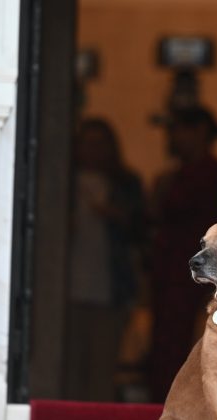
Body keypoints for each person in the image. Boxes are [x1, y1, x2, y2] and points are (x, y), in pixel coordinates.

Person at [149, 105, 217, 402]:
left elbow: (173, 210)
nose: (174, 138)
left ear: (200, 132)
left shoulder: (209, 171)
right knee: (166, 339)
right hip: (170, 267)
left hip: (191, 269)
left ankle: (181, 401)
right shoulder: (181, 172)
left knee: (181, 338)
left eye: (180, 130)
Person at [67, 118, 146, 401]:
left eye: (99, 144)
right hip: (69, 287)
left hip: (111, 287)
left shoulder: (125, 183)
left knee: (103, 367)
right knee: (70, 365)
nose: (92, 150)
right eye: (86, 143)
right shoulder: (63, 181)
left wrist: (116, 215)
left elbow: (142, 229)